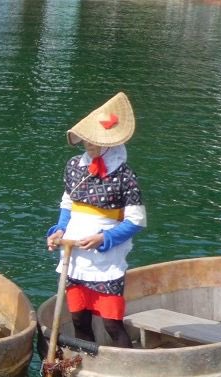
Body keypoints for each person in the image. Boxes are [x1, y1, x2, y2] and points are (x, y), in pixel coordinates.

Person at [46, 92, 146, 348]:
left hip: (106, 258)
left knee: (112, 323)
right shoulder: (73, 166)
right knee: (79, 319)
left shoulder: (124, 175)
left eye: (95, 140)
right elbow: (67, 204)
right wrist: (59, 230)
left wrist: (104, 238)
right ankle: (86, 360)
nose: (89, 144)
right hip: (75, 253)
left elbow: (136, 221)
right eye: (87, 140)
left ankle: (128, 363)